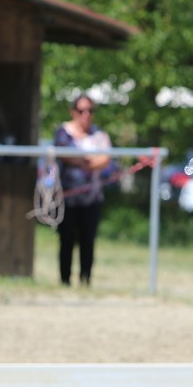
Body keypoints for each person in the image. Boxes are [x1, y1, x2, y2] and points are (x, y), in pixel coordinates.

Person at [54, 93, 117, 286]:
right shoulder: (64, 131)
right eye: (82, 110)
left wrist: (84, 162)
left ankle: (85, 279)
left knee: (87, 240)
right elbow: (64, 154)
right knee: (66, 240)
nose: (86, 114)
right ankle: (65, 280)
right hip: (66, 198)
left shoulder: (100, 135)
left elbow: (105, 159)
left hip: (92, 197)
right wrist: (88, 160)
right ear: (74, 112)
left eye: (90, 110)